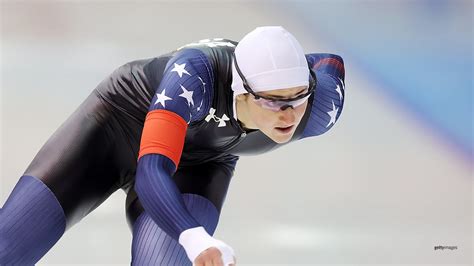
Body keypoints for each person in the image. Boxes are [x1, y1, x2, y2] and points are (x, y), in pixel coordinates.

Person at [0, 26, 345, 265]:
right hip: (113, 131)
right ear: (241, 88)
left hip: (198, 164)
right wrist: (193, 235)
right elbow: (152, 169)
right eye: (272, 101)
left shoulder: (320, 108)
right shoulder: (193, 77)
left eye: (298, 97)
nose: (288, 114)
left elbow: (330, 61)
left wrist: (285, 65)